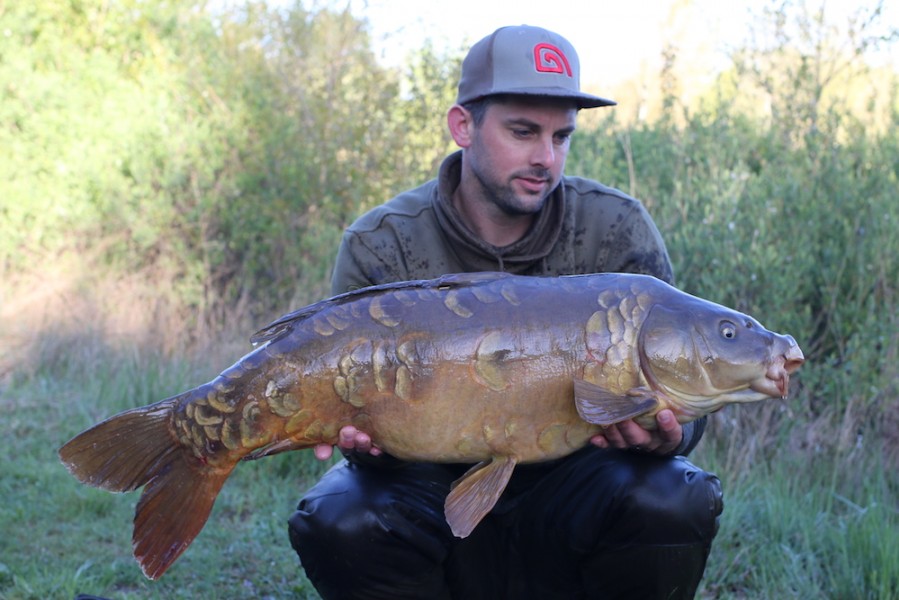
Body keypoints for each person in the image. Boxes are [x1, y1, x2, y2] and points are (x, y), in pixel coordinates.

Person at [287, 25, 723, 600]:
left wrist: (672, 435)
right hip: (427, 484)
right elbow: (353, 425)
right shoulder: (383, 242)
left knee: (674, 494)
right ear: (462, 125)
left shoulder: (616, 229)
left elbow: (682, 383)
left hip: (574, 483)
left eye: (561, 136)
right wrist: (357, 436)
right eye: (523, 131)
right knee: (339, 515)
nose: (546, 158)